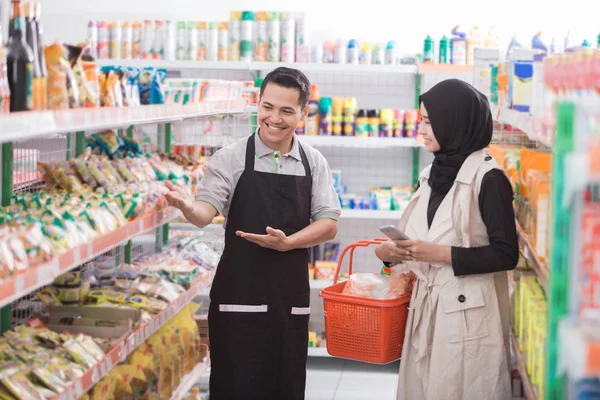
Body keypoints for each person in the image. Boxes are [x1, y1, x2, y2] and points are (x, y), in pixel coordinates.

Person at [165, 67, 341, 400]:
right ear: (257, 105)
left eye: (287, 111)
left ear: (303, 113)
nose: (275, 118)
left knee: (285, 385)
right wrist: (187, 207)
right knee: (236, 385)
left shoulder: (313, 162)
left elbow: (329, 222)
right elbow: (205, 213)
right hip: (238, 295)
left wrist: (288, 243)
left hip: (288, 298)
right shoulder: (230, 158)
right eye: (268, 107)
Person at [375, 79, 519, 400]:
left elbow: (506, 254)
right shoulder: (432, 174)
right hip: (428, 304)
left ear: (455, 123)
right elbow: (421, 239)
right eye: (422, 120)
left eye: (429, 122)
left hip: (469, 315)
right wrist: (391, 253)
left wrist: (439, 254)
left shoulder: (490, 178)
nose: (422, 129)